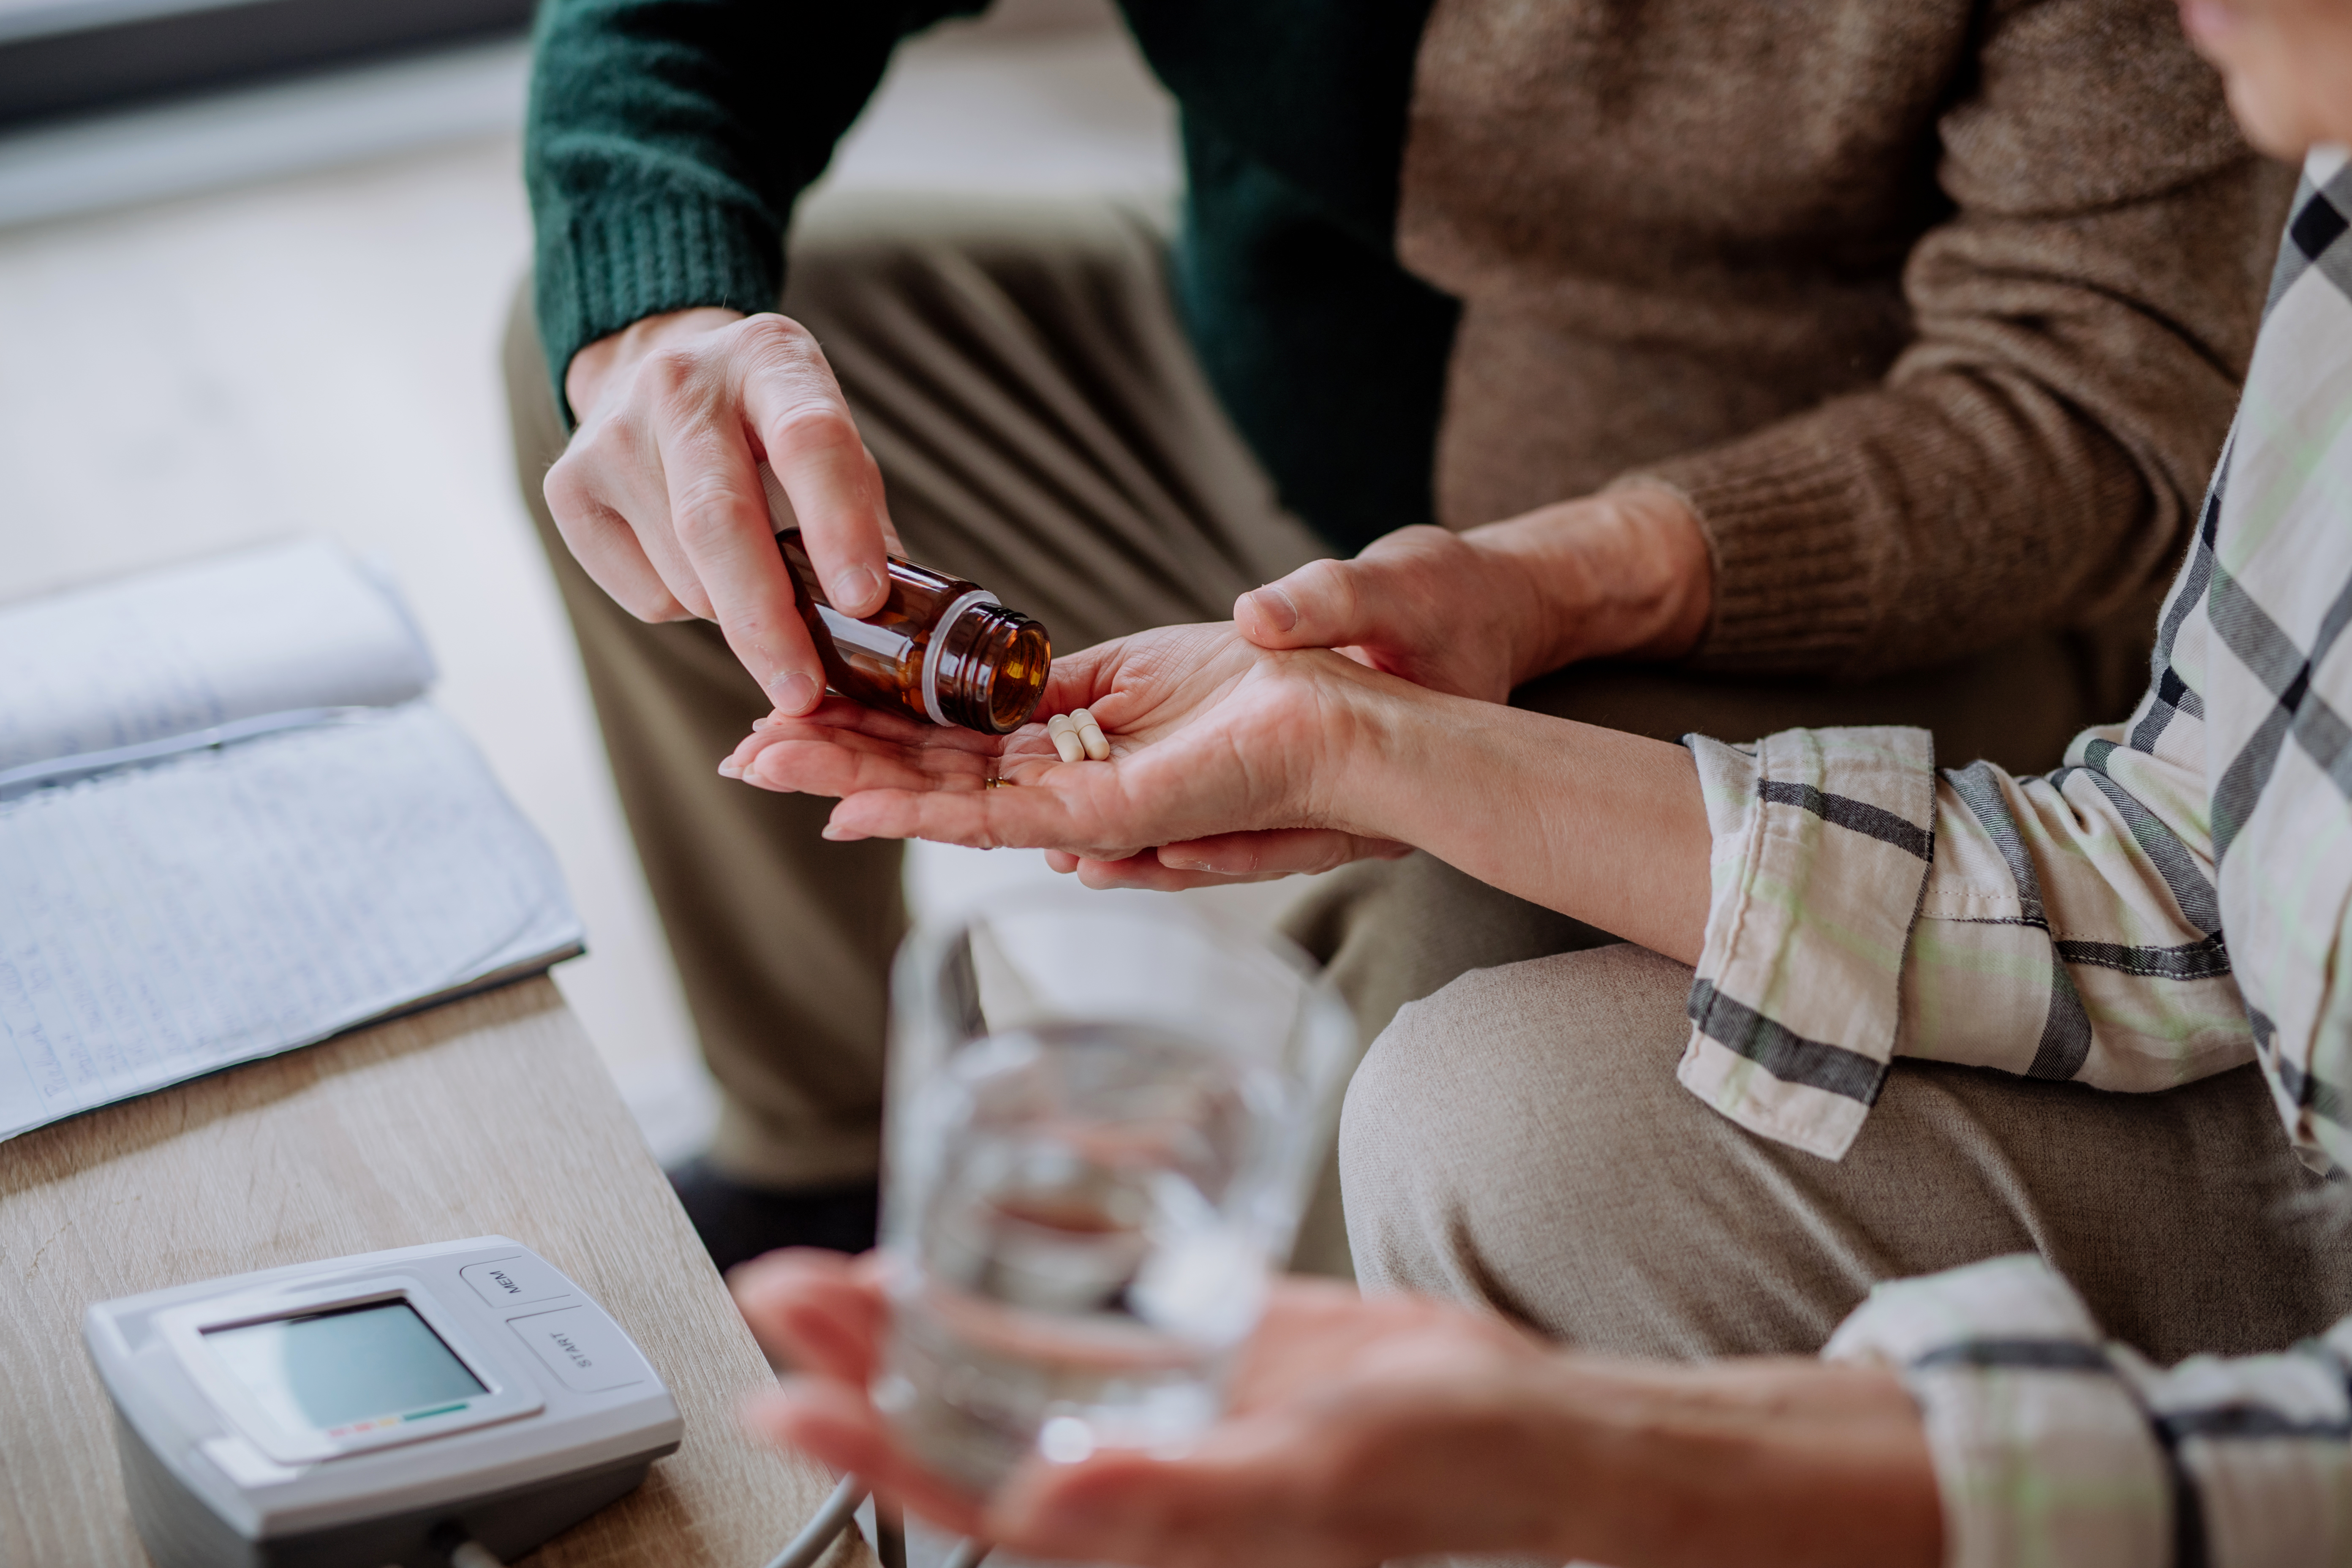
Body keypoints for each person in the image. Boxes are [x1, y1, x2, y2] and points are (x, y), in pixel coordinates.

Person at [725, 0, 2352, 1560]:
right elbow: (2178, 863)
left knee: (1466, 1021)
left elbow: (2084, 403)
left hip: (1828, 550)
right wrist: (1366, 742)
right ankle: (808, 1159)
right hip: (1301, 445)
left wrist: (1610, 1467)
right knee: (1474, 1086)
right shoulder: (2333, 219)